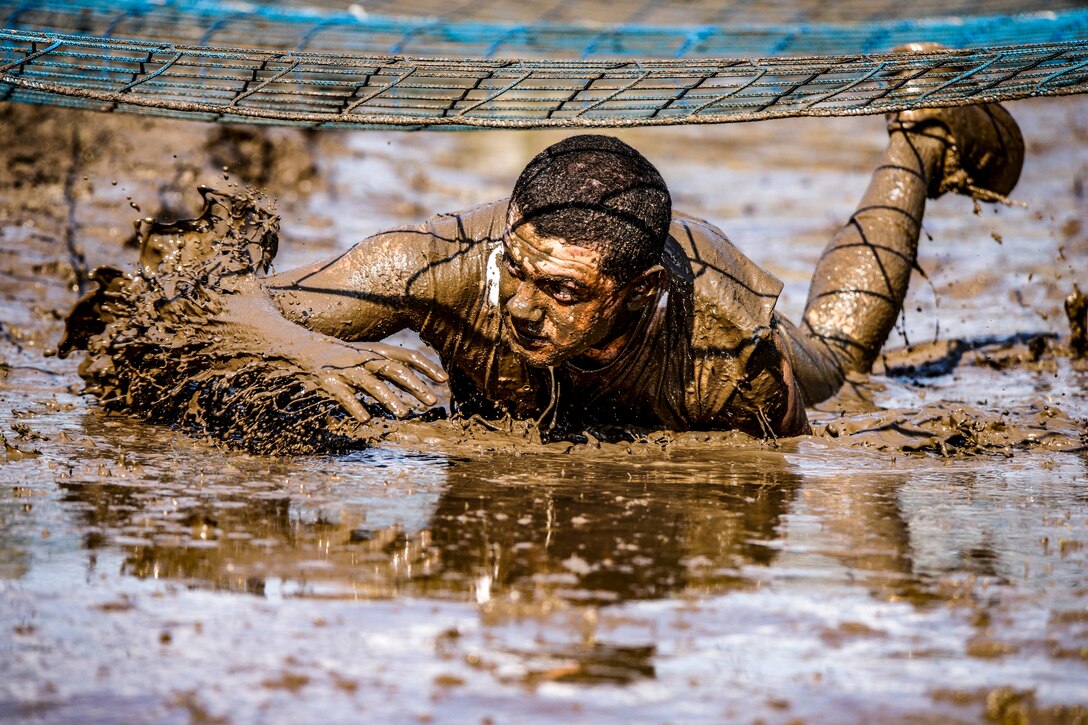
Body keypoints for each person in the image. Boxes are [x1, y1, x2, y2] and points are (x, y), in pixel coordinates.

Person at [61, 100, 1024, 445]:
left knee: (848, 354)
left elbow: (804, 459)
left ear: (637, 295)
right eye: (518, 269)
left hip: (724, 300)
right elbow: (217, 296)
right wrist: (297, 348)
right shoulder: (438, 265)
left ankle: (919, 133)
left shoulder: (728, 356)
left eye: (560, 292)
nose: (519, 306)